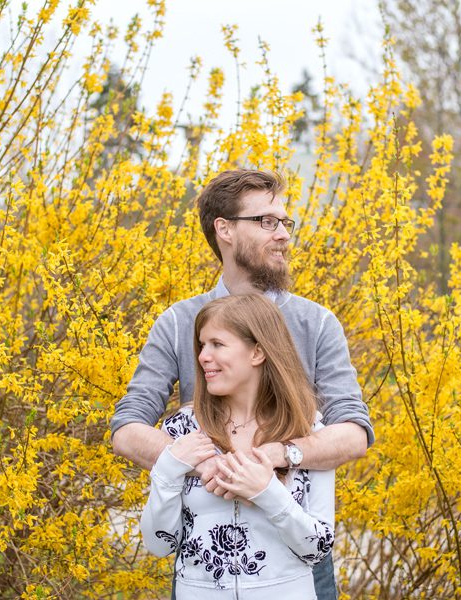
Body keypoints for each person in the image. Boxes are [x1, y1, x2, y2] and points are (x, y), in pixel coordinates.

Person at [111, 169, 374, 599]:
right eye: (267, 221)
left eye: (285, 223)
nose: (283, 235)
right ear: (225, 230)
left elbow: (353, 433)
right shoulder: (179, 322)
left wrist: (276, 455)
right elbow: (127, 429)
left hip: (296, 561)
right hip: (204, 570)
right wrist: (205, 464)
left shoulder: (317, 323)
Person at [141, 294, 334, 599]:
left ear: (257, 352)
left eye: (217, 344)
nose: (203, 356)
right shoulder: (182, 429)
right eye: (202, 345)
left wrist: (266, 492)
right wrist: (168, 468)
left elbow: (318, 547)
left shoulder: (306, 431)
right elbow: (159, 544)